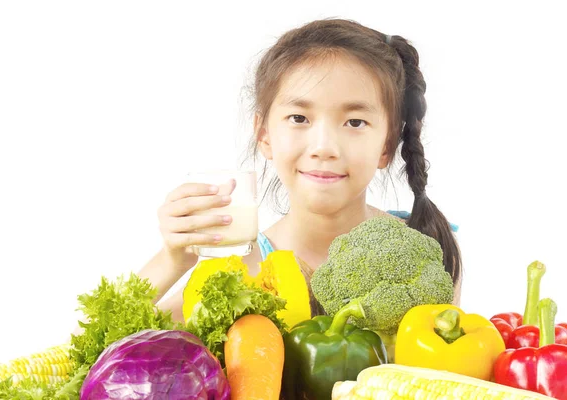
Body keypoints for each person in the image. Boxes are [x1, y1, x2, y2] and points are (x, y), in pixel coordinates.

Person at [139, 18, 462, 323]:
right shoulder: (240, 270)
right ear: (264, 134)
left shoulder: (425, 248)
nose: (324, 147)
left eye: (355, 122)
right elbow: (97, 345)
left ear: (387, 144)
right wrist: (172, 259)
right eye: (299, 118)